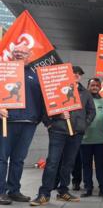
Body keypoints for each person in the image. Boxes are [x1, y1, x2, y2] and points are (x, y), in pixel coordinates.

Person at [30, 65, 95, 206]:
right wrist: (51, 122)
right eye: (74, 72)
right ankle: (44, 194)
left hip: (76, 133)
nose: (77, 75)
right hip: (58, 131)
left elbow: (92, 111)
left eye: (79, 73)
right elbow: (46, 108)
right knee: (52, 163)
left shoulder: (85, 93)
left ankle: (63, 191)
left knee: (68, 164)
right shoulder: (57, 89)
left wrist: (84, 125)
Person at [0, 45, 45, 205]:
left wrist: (41, 119)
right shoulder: (3, 72)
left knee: (19, 159)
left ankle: (14, 190)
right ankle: (0, 192)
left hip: (29, 123)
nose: (19, 54)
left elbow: (44, 100)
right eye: (16, 52)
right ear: (12, 55)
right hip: (7, 121)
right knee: (2, 158)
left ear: (30, 55)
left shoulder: (37, 75)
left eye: (23, 52)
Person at [80, 78, 103, 197]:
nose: (94, 87)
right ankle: (88, 188)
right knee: (86, 165)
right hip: (85, 139)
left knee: (100, 165)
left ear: (100, 87)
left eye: (97, 85)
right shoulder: (82, 101)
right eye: (92, 85)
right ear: (88, 86)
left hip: (101, 139)